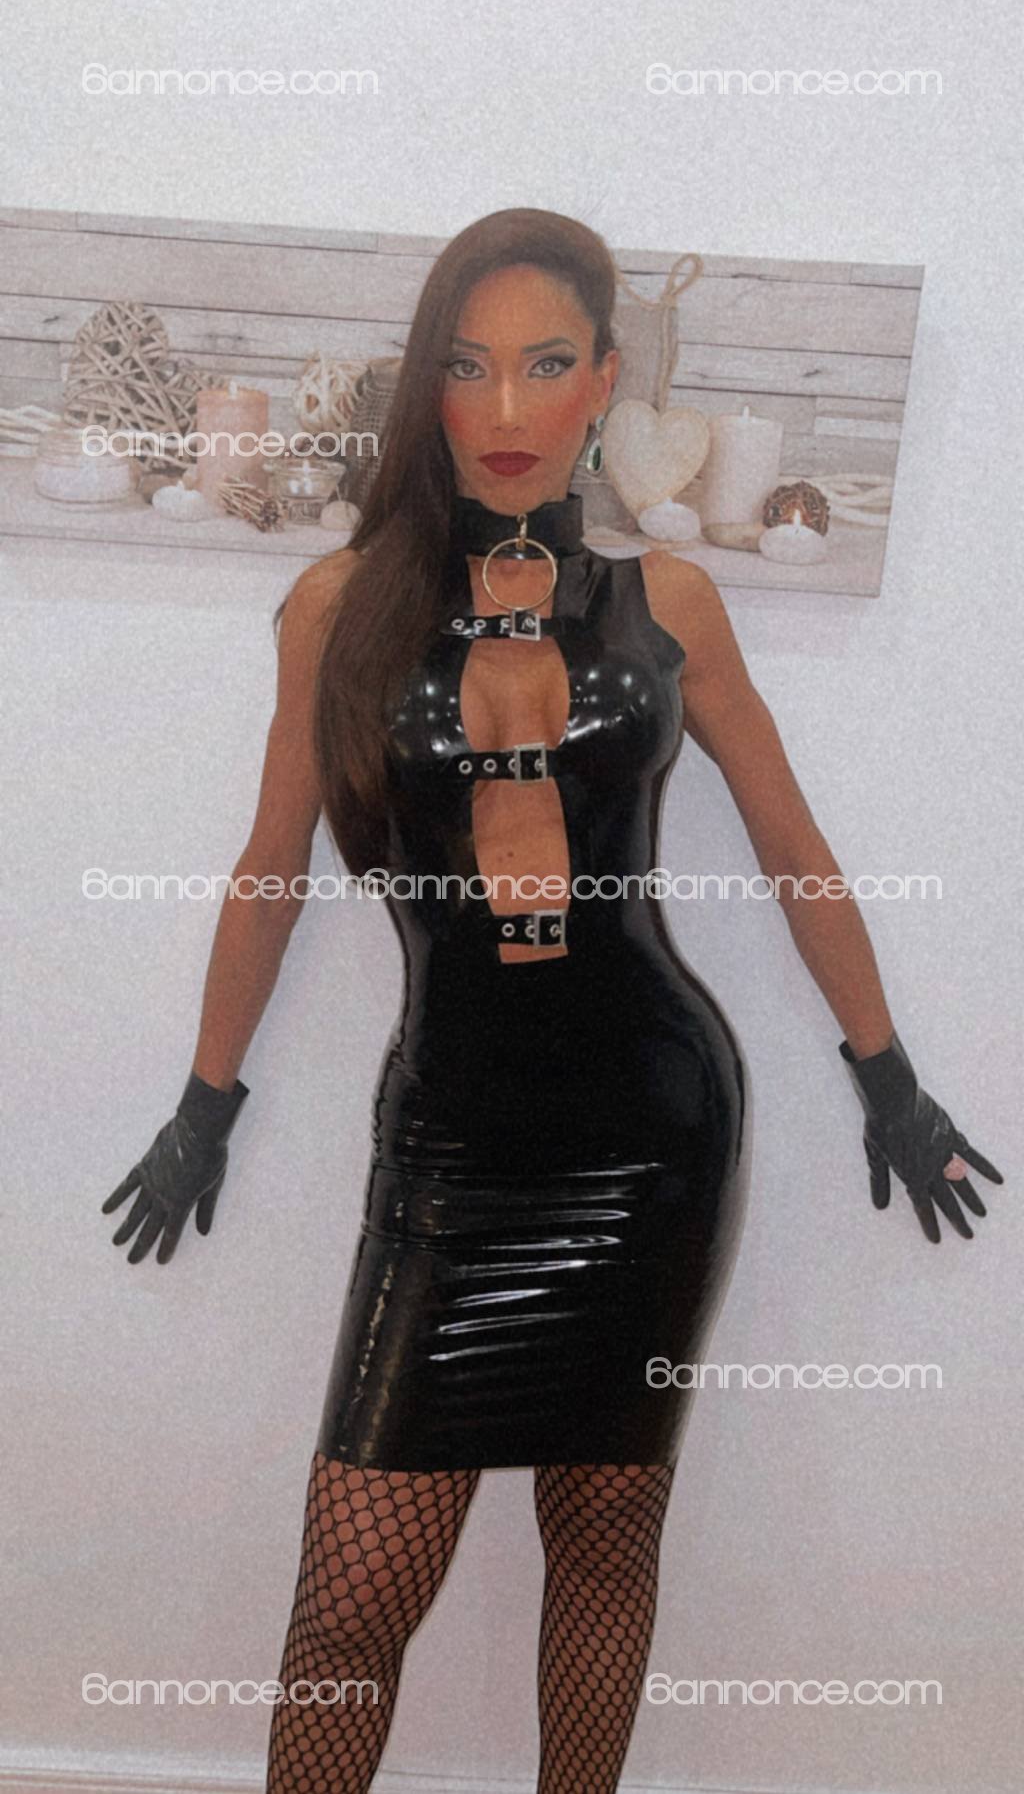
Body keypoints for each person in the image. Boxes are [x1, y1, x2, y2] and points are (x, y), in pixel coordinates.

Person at [102, 208, 1004, 1794]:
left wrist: (889, 1079)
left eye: (546, 364)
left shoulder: (673, 604)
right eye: (469, 367)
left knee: (601, 1547)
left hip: (653, 1134)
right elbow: (270, 868)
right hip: (451, 1144)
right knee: (349, 1604)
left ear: (604, 382)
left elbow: (792, 848)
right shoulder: (337, 606)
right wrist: (205, 1105)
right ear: (428, 389)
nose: (507, 408)